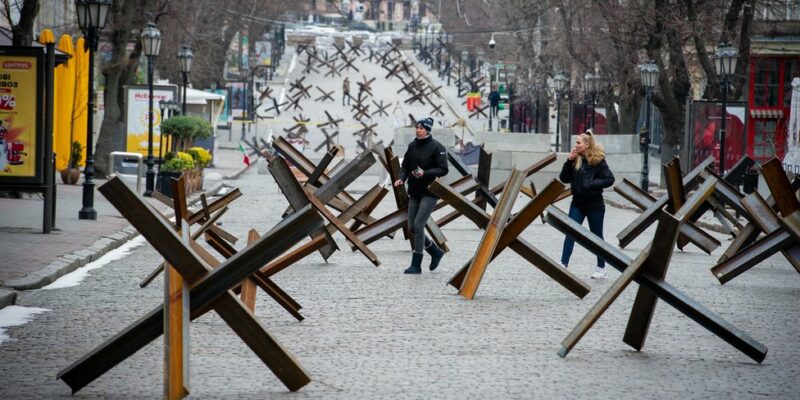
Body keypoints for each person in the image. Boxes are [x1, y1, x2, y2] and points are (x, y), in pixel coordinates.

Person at [393, 117, 449, 274]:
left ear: (428, 130)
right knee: (411, 227)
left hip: (430, 192)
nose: (418, 130)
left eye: (421, 128)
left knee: (419, 225)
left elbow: (443, 169)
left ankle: (416, 264)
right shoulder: (412, 146)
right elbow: (404, 166)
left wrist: (425, 173)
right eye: (416, 127)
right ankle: (436, 252)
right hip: (415, 191)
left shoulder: (437, 147)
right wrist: (400, 178)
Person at [558, 130, 615, 279]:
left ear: (587, 145)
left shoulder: (598, 161)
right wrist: (569, 161)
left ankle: (601, 267)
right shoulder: (575, 159)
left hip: (594, 205)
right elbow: (564, 178)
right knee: (570, 232)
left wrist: (592, 183)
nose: (575, 145)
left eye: (578, 143)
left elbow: (610, 179)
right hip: (577, 203)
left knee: (597, 237)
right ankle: (563, 263)